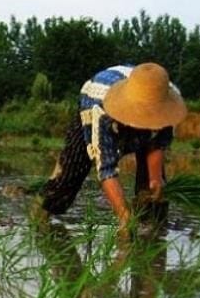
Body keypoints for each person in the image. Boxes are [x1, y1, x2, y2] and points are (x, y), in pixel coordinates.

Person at [37, 62, 187, 236]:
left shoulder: (165, 97)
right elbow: (106, 169)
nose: (145, 121)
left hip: (144, 95)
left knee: (153, 192)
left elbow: (157, 144)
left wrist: (155, 179)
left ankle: (152, 238)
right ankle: (39, 217)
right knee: (70, 174)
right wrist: (124, 217)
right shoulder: (102, 109)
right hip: (95, 101)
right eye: (143, 116)